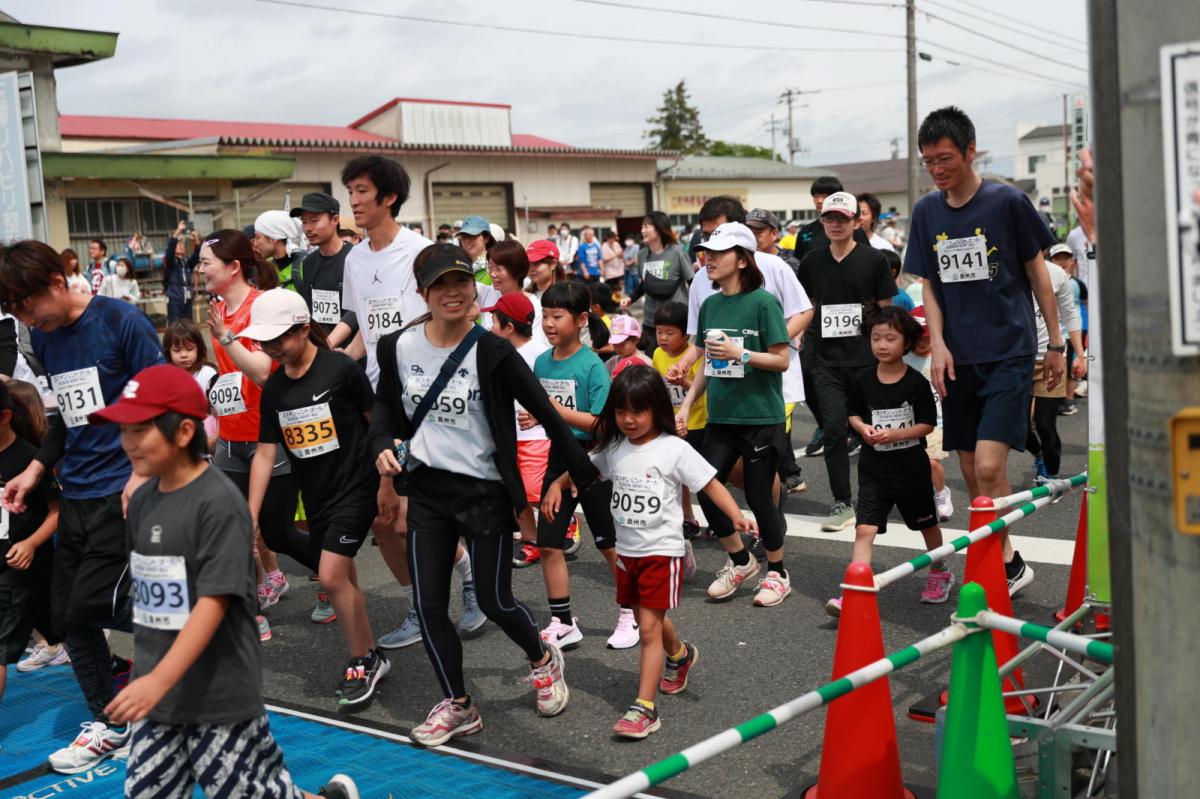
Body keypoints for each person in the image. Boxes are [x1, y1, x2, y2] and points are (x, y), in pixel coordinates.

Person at [89, 364, 359, 799]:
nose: (128, 443)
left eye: (141, 430)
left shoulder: (219, 504)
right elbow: (154, 604)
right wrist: (150, 674)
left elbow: (213, 604)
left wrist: (159, 680)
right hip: (158, 698)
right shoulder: (140, 501)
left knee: (251, 793)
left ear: (182, 433)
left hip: (218, 696)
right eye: (125, 431)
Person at [370, 243, 596, 746]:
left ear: (474, 288)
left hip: (485, 493)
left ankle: (542, 658)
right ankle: (459, 705)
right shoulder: (398, 347)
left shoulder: (492, 351)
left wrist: (583, 474)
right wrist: (382, 446)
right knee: (430, 605)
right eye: (441, 285)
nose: (453, 293)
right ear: (423, 292)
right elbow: (385, 405)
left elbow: (546, 410)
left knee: (495, 601)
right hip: (427, 488)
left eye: (461, 282)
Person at [0, 239, 164, 774]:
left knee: (95, 607)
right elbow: (67, 421)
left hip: (125, 491)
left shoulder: (120, 322)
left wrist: (143, 474)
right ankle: (113, 713)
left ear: (55, 281)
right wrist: (35, 468)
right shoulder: (42, 341)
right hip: (76, 495)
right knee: (69, 617)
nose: (25, 319)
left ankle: (166, 685)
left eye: (27, 305)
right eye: (15, 311)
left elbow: (166, 401)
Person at [544, 365, 752, 738]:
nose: (628, 420)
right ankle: (681, 655)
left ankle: (644, 708)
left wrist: (736, 514)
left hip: (662, 552)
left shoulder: (674, 450)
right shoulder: (615, 447)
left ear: (656, 409)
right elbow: (585, 468)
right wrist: (558, 485)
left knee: (648, 629)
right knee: (644, 616)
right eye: (620, 412)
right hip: (627, 553)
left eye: (637, 412)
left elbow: (710, 483)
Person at [903, 106, 1062, 596]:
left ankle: (1000, 560)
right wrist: (941, 345)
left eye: (945, 157)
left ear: (971, 152)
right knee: (970, 470)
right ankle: (1008, 561)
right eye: (928, 161)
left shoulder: (1007, 202)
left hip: (1009, 352)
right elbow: (929, 286)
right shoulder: (927, 212)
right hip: (957, 359)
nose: (937, 168)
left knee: (991, 468)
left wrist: (1056, 345)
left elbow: (1038, 275)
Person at [338, 155, 476, 650]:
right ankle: (433, 595)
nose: (352, 201)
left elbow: (445, 322)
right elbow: (365, 336)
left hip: (422, 397)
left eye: (360, 191)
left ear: (388, 196)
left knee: (409, 511)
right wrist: (328, 361)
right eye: (349, 191)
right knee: (385, 517)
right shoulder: (354, 259)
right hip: (376, 401)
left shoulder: (422, 252)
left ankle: (458, 587)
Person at [241, 289, 388, 707]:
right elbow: (266, 453)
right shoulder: (273, 389)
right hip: (317, 494)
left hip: (356, 485)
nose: (270, 348)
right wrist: (250, 515)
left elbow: (374, 421)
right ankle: (371, 651)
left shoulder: (340, 369)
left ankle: (363, 658)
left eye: (278, 339)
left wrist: (388, 481)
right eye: (264, 342)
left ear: (305, 329)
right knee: (344, 578)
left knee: (330, 576)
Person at [200, 229, 311, 640]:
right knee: (233, 527)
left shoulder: (261, 307)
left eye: (206, 263)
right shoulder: (215, 313)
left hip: (271, 436)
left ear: (233, 267)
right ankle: (249, 612)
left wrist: (229, 340)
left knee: (276, 529)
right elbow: (229, 378)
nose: (200, 270)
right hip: (230, 437)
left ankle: (329, 573)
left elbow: (265, 375)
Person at [675, 222, 792, 606]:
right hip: (720, 417)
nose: (708, 259)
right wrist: (687, 403)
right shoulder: (710, 305)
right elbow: (709, 364)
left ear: (742, 260)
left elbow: (781, 360)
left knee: (760, 498)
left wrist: (742, 354)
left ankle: (777, 572)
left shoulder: (763, 303)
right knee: (706, 488)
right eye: (706, 252)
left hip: (761, 416)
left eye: (718, 253)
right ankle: (740, 561)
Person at [826, 306, 951, 616]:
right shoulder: (862, 379)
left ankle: (940, 572)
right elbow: (853, 413)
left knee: (927, 525)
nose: (881, 345)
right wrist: (861, 428)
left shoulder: (917, 384)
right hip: (874, 469)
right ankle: (854, 590)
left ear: (906, 342)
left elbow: (927, 425)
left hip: (911, 469)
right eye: (876, 338)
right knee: (864, 529)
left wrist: (897, 434)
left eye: (890, 338)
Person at [796, 191, 897, 532]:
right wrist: (796, 338)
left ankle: (879, 493)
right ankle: (842, 502)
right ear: (821, 221)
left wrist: (886, 347)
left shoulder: (874, 260)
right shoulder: (812, 261)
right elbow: (807, 306)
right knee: (834, 431)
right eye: (829, 218)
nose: (835, 224)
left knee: (878, 431)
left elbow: (886, 307)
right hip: (826, 362)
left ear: (857, 222)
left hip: (867, 360)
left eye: (843, 218)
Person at [532, 282, 625, 649]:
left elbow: (605, 425)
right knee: (549, 543)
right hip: (559, 457)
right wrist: (537, 417)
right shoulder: (541, 362)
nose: (549, 323)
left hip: (596, 458)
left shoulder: (593, 366)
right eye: (545, 316)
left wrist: (555, 411)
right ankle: (563, 620)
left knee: (609, 544)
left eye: (557, 316)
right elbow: (548, 415)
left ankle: (630, 613)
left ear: (581, 319)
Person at [744, 207, 813, 495]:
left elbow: (803, 307)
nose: (753, 236)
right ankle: (777, 473)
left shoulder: (787, 265)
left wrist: (781, 339)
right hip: (744, 360)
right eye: (749, 229)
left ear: (775, 234)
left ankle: (785, 473)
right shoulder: (737, 264)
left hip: (782, 356)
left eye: (759, 230)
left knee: (778, 419)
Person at [0, 381, 59, 703]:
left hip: (22, 569)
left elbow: (58, 511)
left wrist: (31, 544)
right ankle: (110, 665)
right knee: (62, 627)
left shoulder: (30, 459)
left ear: (5, 416)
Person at [483, 292, 550, 569]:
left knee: (536, 492)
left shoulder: (538, 354)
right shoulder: (498, 352)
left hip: (534, 436)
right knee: (516, 491)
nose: (489, 328)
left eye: (494, 322)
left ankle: (566, 521)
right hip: (508, 436)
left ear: (509, 328)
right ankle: (531, 540)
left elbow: (548, 393)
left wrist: (539, 415)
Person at [1027, 244, 1085, 483]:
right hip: (1016, 360)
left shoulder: (1057, 274)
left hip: (1051, 358)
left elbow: (1071, 314)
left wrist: (1080, 355)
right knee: (1017, 428)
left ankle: (1052, 477)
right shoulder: (1008, 269)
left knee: (1045, 423)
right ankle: (1039, 454)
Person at [652, 301, 706, 540]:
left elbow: (701, 390)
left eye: (670, 333)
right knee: (677, 475)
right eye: (659, 331)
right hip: (673, 424)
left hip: (698, 422)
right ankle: (687, 517)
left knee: (705, 475)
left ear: (686, 334)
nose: (663, 338)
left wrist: (683, 382)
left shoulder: (693, 355)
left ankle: (717, 516)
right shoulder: (657, 354)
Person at [904, 307, 954, 521]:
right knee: (909, 464)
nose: (923, 342)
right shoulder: (902, 358)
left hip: (937, 420)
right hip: (907, 420)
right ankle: (917, 496)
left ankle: (941, 493)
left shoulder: (943, 356)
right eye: (919, 338)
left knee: (931, 461)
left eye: (928, 337)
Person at [293, 192, 358, 346]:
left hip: (351, 353)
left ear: (335, 220)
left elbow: (357, 309)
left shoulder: (355, 259)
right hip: (320, 350)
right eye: (304, 222)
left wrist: (328, 343)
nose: (308, 228)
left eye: (314, 221)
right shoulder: (308, 262)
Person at [620, 212, 693, 351]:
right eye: (642, 227)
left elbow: (692, 281)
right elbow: (645, 283)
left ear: (660, 228)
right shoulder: (642, 255)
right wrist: (631, 298)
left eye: (647, 226)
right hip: (651, 319)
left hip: (675, 319)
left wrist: (696, 311)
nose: (642, 231)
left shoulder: (677, 252)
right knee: (652, 359)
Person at [162, 320, 219, 449]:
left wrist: (214, 438)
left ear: (199, 348)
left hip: (209, 437)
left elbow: (220, 411)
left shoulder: (207, 373)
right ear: (168, 352)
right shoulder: (166, 377)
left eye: (189, 349)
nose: (184, 355)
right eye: (177, 350)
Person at [253, 210, 308, 291]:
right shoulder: (266, 267)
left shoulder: (305, 265)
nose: (255, 244)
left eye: (258, 237)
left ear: (274, 238)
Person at [526, 239, 565, 349]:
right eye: (529, 264)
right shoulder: (526, 296)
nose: (531, 269)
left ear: (553, 264)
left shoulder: (568, 296)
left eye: (537, 264)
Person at [164, 220, 201, 323]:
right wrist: (178, 231)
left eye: (183, 245)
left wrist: (196, 238)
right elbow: (170, 250)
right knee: (175, 326)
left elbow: (197, 255)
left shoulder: (186, 263)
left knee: (188, 325)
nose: (181, 246)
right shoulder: (171, 262)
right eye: (179, 245)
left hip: (188, 298)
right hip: (175, 298)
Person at [458, 216, 496, 284]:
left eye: (473, 236)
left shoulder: (495, 265)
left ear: (486, 238)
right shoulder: (458, 266)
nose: (467, 241)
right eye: (464, 237)